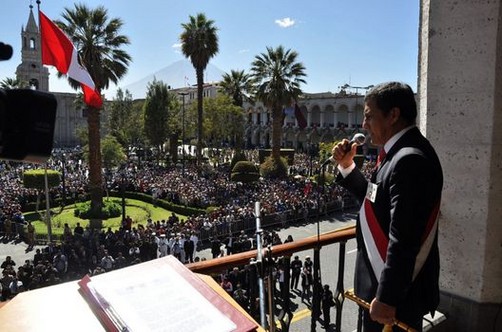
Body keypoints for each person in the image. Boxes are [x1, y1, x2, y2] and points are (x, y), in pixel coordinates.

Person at [332, 82, 443, 331]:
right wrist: (348, 167)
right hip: (384, 294)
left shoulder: (410, 160)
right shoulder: (398, 155)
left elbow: (403, 237)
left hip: (393, 302)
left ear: (393, 115)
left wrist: (387, 298)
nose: (363, 125)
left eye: (369, 116)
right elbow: (375, 201)